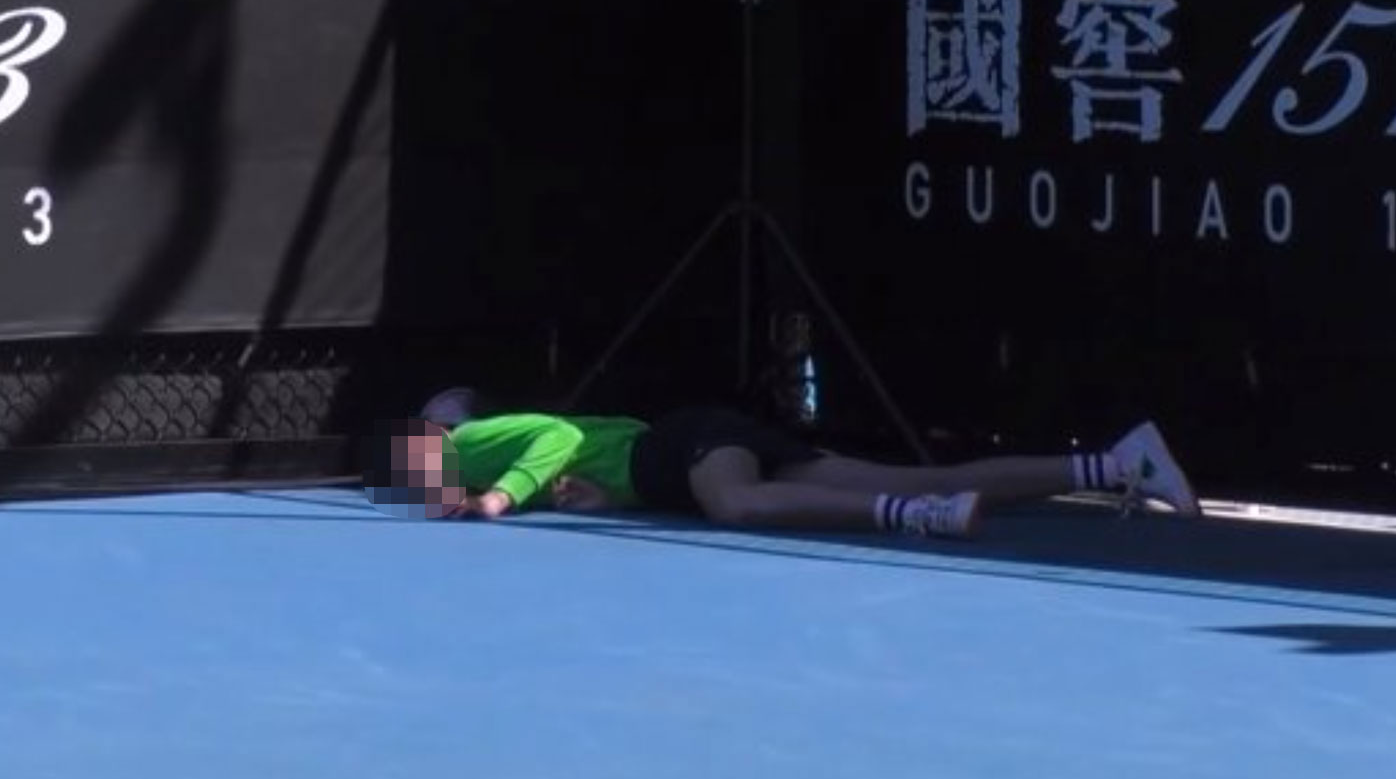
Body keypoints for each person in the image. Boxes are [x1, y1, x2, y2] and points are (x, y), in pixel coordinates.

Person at [365, 403, 1201, 539]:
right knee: (919, 471)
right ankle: (1117, 460)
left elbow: (548, 429)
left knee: (736, 507)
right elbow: (582, 458)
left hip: (689, 444)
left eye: (412, 474)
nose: (421, 489)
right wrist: (577, 496)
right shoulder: (460, 466)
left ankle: (920, 520)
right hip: (677, 459)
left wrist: (501, 497)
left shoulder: (468, 439)